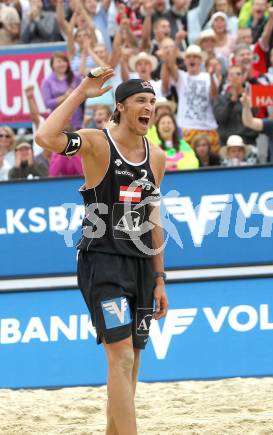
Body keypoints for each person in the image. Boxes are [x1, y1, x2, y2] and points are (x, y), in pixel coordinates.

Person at [35, 71, 169, 434]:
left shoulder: (156, 158)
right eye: (142, 101)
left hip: (142, 264)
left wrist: (160, 278)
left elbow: (153, 219)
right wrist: (81, 92)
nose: (149, 108)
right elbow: (45, 137)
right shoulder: (96, 142)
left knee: (133, 363)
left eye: (153, 102)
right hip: (102, 260)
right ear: (121, 107)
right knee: (121, 356)